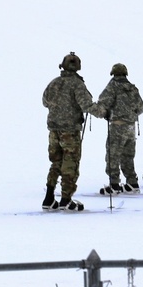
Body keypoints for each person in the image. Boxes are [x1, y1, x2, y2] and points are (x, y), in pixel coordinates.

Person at [42, 52, 101, 211]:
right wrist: (104, 113)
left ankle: (49, 198)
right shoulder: (77, 84)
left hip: (54, 130)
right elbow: (87, 105)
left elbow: (45, 101)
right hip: (70, 131)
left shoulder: (54, 83)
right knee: (71, 163)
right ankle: (66, 200)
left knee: (56, 162)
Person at [95, 63, 143, 195]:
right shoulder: (132, 88)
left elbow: (103, 103)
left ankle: (114, 185)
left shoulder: (113, 86)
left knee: (113, 155)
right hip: (131, 127)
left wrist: (103, 113)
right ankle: (132, 183)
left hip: (117, 125)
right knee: (128, 156)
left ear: (113, 73)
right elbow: (141, 107)